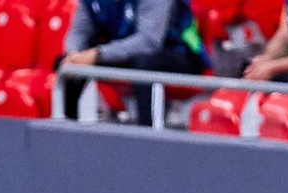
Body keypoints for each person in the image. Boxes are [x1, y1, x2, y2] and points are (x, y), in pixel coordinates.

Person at [57, 0, 206, 123]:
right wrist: (74, 55)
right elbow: (79, 32)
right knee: (68, 65)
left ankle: (147, 135)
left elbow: (148, 42)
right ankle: (67, 129)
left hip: (177, 52)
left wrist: (98, 54)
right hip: (126, 53)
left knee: (145, 65)